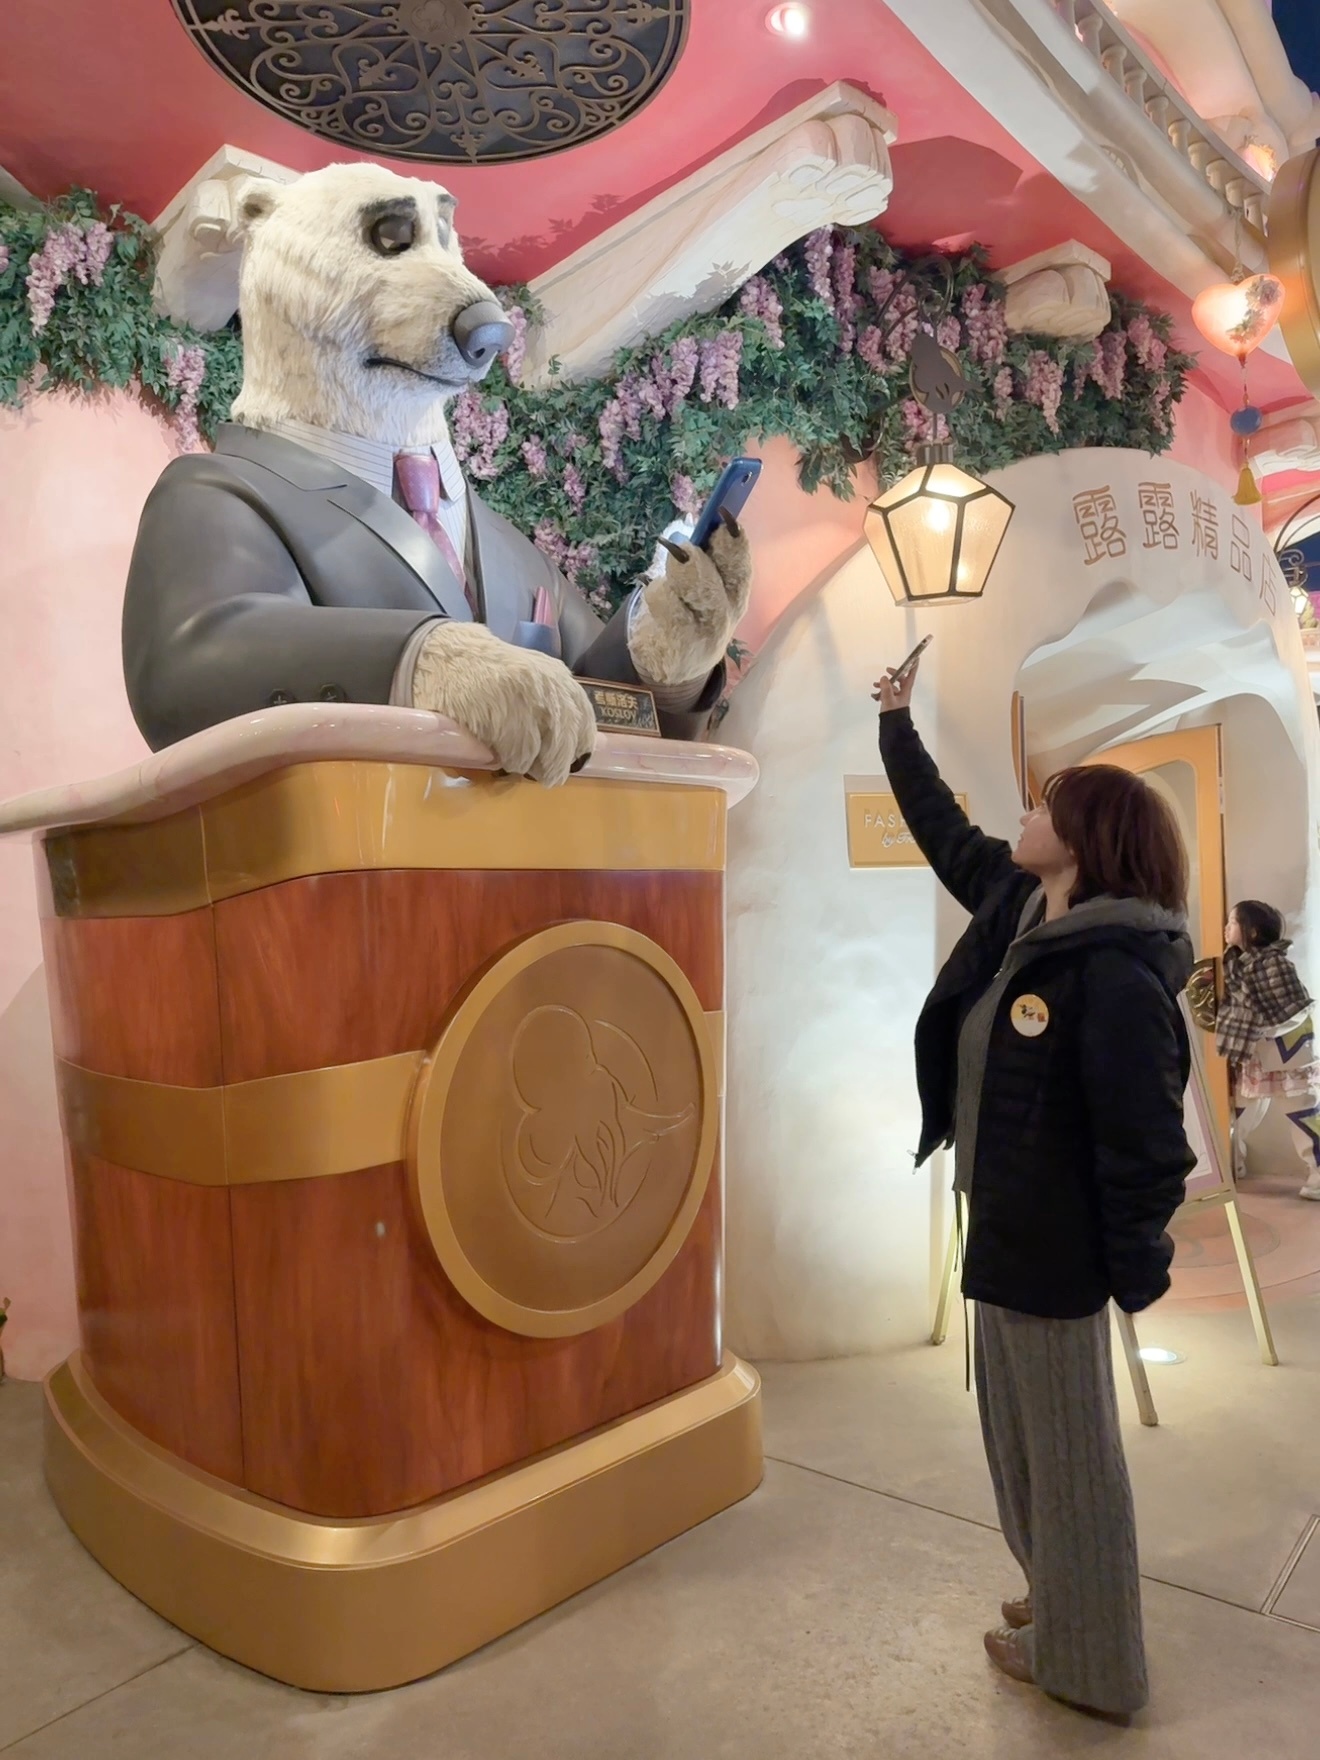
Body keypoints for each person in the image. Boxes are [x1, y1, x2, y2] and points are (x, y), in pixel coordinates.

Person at [874, 657, 1195, 1719]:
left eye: (1047, 806)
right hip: (1005, 1221)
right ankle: (1059, 1594)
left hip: (1057, 1248)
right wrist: (895, 721)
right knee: (1019, 1447)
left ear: (1087, 840)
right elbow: (943, 831)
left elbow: (1147, 1146)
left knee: (1071, 1460)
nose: (1025, 814)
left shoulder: (1114, 971)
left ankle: (1094, 1665)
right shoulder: (1022, 908)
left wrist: (1133, 1267)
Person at [1213, 902, 1320, 1199]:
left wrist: (1263, 1030)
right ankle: (1233, 1162)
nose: (1226, 927)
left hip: (1288, 1053)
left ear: (1252, 931)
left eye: (1233, 922)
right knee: (1235, 1111)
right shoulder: (1233, 964)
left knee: (1302, 1114)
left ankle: (1319, 1174)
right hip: (1251, 1053)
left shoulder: (1276, 964)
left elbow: (1297, 1009)